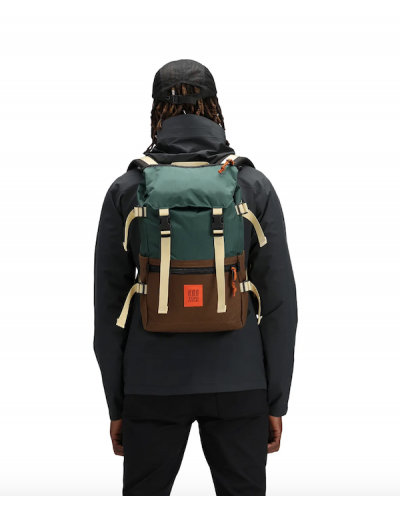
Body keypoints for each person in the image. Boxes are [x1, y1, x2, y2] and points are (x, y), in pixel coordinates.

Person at [94, 59, 297, 496]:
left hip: (150, 383)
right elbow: (280, 303)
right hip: (240, 381)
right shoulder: (252, 186)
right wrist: (275, 398)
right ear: (215, 107)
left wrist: (117, 403)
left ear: (156, 112)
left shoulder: (127, 189)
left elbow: (108, 308)